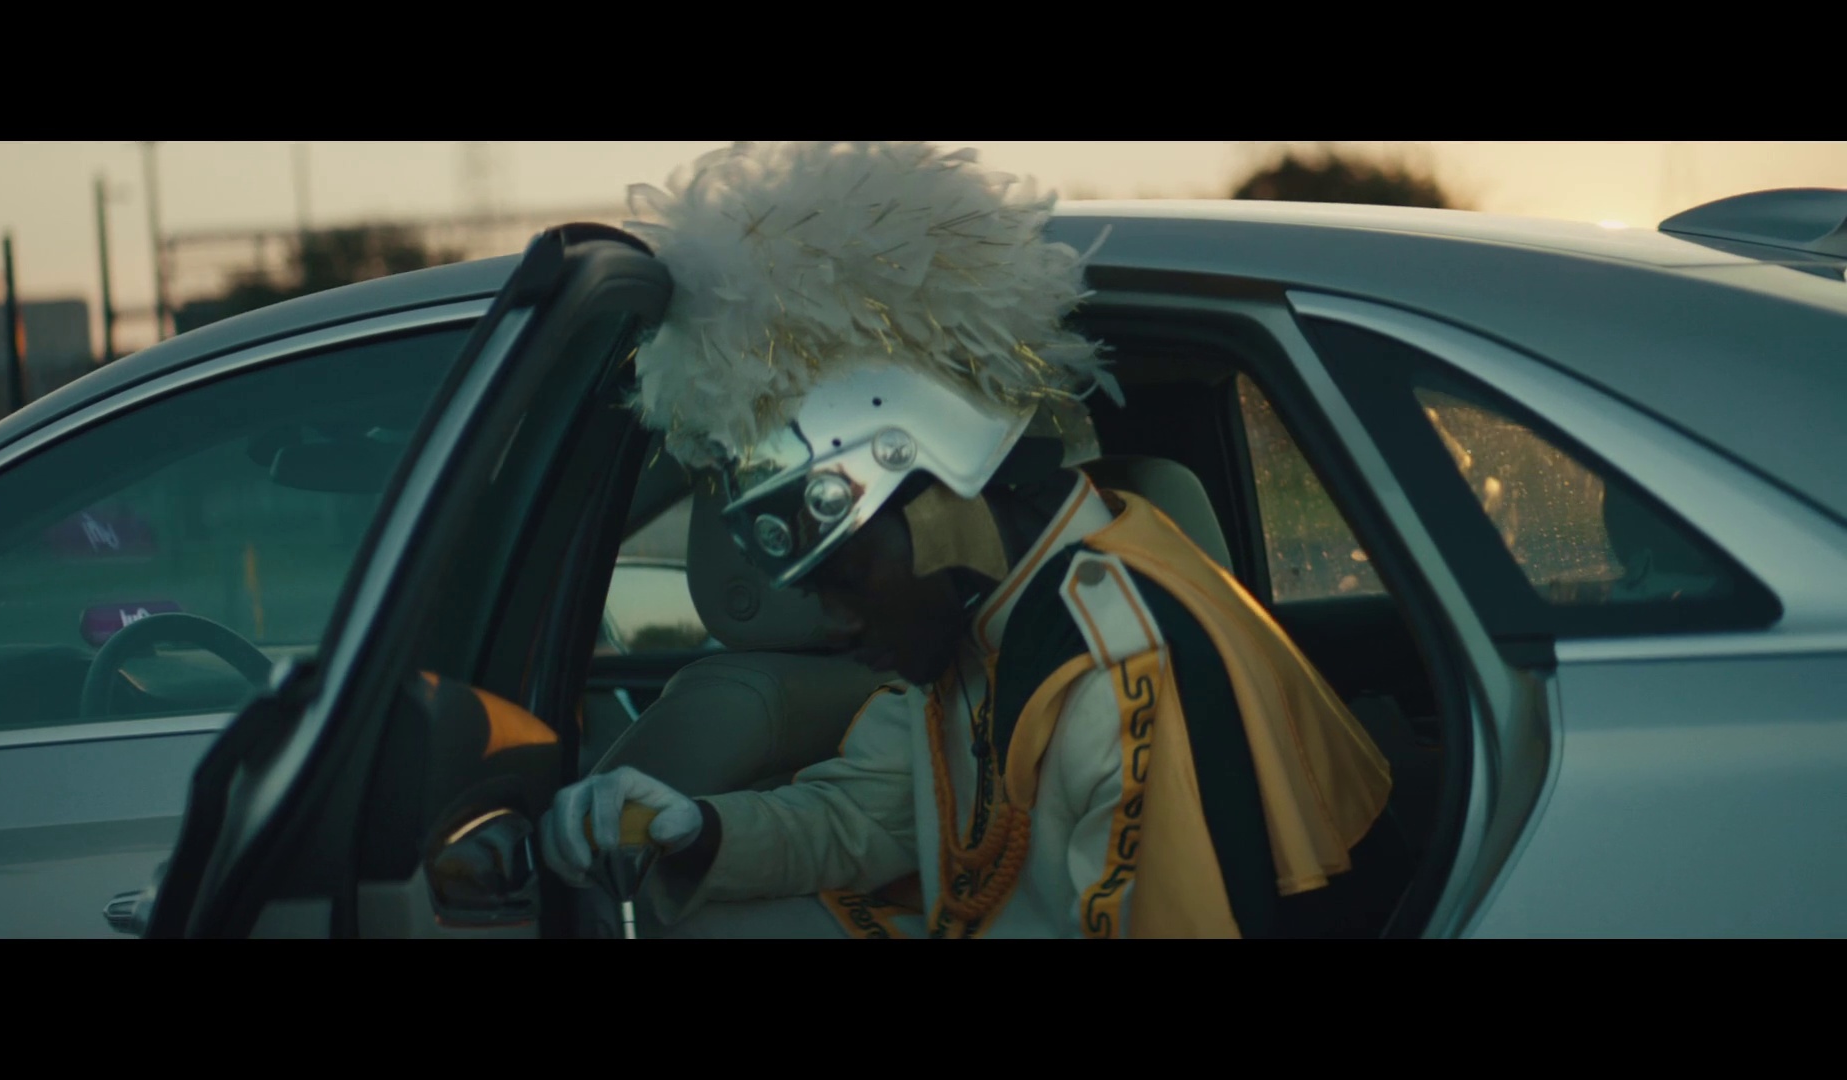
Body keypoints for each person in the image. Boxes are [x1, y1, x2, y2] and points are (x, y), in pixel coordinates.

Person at [538, 141, 1400, 938]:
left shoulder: (1120, 672)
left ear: (934, 496)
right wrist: (694, 827)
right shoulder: (976, 616)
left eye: (844, 576)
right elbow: (869, 817)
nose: (834, 623)